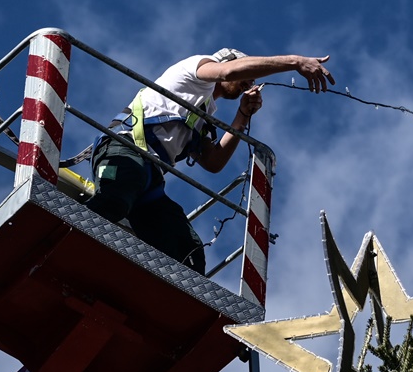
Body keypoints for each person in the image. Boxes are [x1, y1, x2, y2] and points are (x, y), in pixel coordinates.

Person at [88, 48, 334, 273]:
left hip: (150, 176)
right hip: (123, 149)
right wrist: (295, 62)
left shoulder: (205, 112)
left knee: (187, 250)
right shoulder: (196, 67)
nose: (249, 83)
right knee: (115, 198)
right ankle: (71, 237)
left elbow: (213, 162)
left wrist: (242, 116)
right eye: (247, 74)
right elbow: (228, 71)